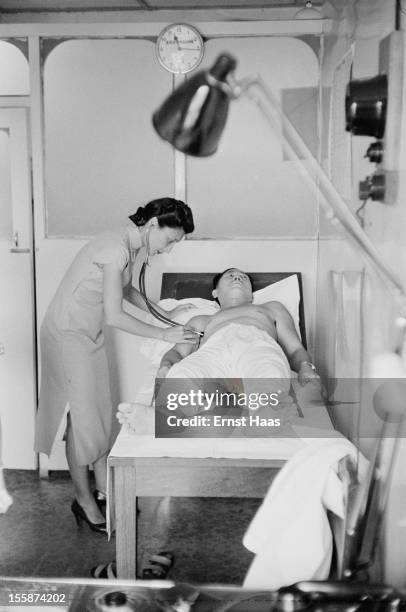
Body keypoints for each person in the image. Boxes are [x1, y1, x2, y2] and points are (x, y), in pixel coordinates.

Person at [35, 197, 198, 533]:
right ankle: (84, 501)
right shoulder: (115, 248)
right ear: (153, 225)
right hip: (68, 333)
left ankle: (101, 489)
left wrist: (163, 313)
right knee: (82, 419)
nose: (167, 250)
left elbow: (125, 291)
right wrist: (164, 333)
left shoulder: (131, 244)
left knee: (97, 410)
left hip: (87, 332)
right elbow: (114, 314)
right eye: (169, 241)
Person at [156, 268, 321, 416]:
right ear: (215, 293)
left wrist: (306, 367)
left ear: (251, 295)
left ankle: (263, 415)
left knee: (270, 372)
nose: (237, 278)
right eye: (230, 275)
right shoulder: (201, 320)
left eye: (243, 277)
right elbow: (177, 352)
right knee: (183, 374)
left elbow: (294, 349)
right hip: (214, 351)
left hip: (256, 346)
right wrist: (166, 366)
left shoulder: (271, 308)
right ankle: (175, 413)